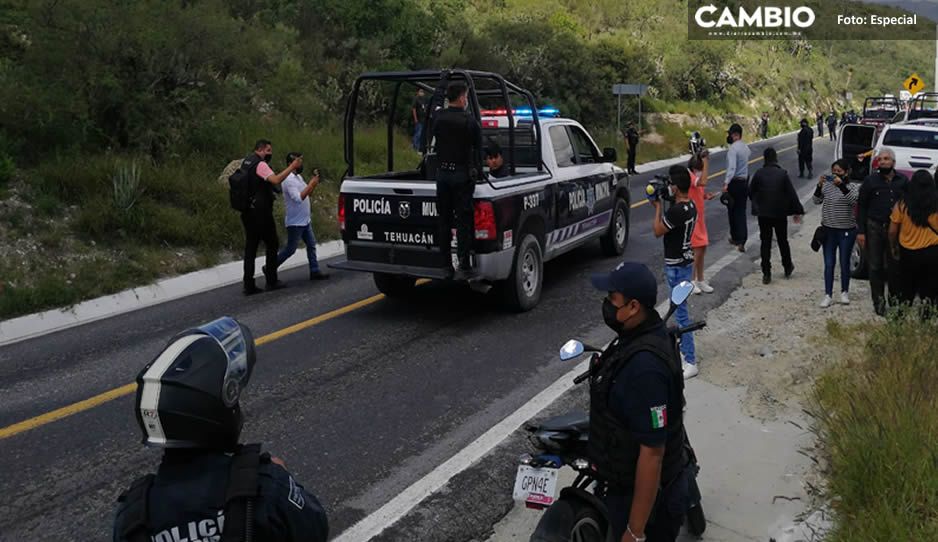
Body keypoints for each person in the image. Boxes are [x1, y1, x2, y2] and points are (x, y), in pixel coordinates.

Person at [112, 317, 329, 542]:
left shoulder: (132, 517)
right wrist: (283, 477)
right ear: (214, 410)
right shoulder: (264, 486)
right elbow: (315, 528)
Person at [588, 261, 693, 542]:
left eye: (613, 299)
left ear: (633, 307)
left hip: (647, 502)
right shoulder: (636, 336)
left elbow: (653, 453)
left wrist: (635, 532)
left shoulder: (646, 369)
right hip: (620, 480)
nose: (607, 305)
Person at [432, 81, 483, 276]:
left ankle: (445, 264)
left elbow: (434, 105)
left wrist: (441, 82)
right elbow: (479, 147)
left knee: (443, 219)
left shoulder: (438, 117)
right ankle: (464, 261)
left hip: (442, 175)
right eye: (467, 97)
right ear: (462, 98)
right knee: (463, 219)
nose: (467, 100)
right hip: (461, 176)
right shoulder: (469, 121)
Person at [652, 165, 698, 378]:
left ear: (677, 187)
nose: (668, 187)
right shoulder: (691, 207)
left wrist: (657, 207)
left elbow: (657, 231)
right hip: (686, 261)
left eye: (670, 184)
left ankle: (690, 360)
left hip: (676, 266)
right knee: (679, 310)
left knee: (681, 315)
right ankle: (683, 352)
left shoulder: (676, 211)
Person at [239, 139, 301, 295]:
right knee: (272, 244)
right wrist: (291, 167)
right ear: (260, 150)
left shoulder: (246, 162)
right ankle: (271, 281)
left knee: (251, 248)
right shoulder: (260, 165)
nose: (270, 154)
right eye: (268, 151)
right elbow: (276, 180)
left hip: (247, 211)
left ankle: (248, 284)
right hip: (261, 213)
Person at [857, 147, 909, 316]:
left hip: (896, 229)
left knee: (896, 266)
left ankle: (895, 303)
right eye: (881, 159)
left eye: (887, 159)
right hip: (875, 227)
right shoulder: (870, 181)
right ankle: (879, 304)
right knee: (875, 266)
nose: (883, 161)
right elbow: (862, 208)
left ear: (893, 162)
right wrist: (861, 232)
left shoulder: (903, 181)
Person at [749, 147, 804, 284]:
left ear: (764, 159)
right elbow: (791, 194)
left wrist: (758, 204)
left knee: (765, 242)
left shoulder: (759, 174)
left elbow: (751, 191)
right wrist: (798, 210)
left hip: (764, 214)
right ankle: (787, 266)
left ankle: (766, 273)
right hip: (780, 213)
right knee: (782, 241)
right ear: (776, 158)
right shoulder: (782, 174)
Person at [272, 153, 329, 281]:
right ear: (290, 164)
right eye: (298, 161)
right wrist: (311, 185)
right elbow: (298, 198)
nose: (301, 164)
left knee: (311, 244)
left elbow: (306, 193)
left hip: (304, 220)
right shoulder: (289, 180)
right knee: (290, 249)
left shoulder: (298, 177)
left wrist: (312, 184)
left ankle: (314, 271)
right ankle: (271, 266)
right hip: (295, 222)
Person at [814, 159, 860, 308]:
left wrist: (841, 185)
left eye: (839, 171)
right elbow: (816, 200)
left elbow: (853, 201)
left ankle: (844, 291)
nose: (835, 174)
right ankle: (828, 294)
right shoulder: (827, 186)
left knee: (844, 262)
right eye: (833, 171)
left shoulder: (852, 187)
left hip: (846, 230)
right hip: (828, 230)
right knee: (829, 263)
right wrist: (819, 185)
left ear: (846, 172)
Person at [889, 170, 938, 308]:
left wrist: (893, 247)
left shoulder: (902, 205)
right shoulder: (936, 204)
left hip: (908, 251)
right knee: (929, 289)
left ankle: (902, 316)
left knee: (906, 288)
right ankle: (926, 318)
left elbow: (892, 231)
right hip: (932, 251)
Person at [687, 150, 716, 294]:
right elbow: (702, 181)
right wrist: (706, 163)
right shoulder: (690, 176)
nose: (701, 172)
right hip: (693, 219)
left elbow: (699, 190)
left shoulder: (696, 177)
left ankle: (700, 279)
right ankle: (691, 281)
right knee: (696, 250)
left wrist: (705, 196)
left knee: (702, 248)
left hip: (700, 218)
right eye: (700, 170)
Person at [723, 123, 751, 252]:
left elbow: (732, 167)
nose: (729, 136)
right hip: (744, 182)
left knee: (732, 211)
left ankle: (735, 237)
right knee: (741, 211)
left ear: (736, 135)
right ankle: (742, 240)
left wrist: (726, 183)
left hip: (734, 183)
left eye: (730, 134)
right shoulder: (746, 148)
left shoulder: (733, 149)